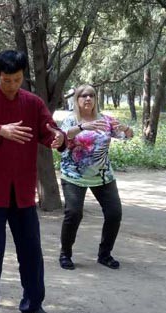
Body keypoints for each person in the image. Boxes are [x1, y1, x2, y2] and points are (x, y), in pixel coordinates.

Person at [0, 50, 66, 313]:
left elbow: (50, 131)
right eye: (7, 80)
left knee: (31, 251)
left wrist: (59, 138)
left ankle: (33, 305)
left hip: (22, 191)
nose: (12, 85)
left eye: (17, 79)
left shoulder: (32, 103)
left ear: (23, 76)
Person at [58, 84, 133, 271]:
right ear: (77, 100)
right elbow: (64, 137)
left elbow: (128, 135)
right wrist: (83, 126)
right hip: (74, 175)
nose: (88, 99)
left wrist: (126, 128)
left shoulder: (106, 120)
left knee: (114, 214)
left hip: (103, 176)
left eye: (91, 95)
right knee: (73, 214)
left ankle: (104, 254)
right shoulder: (70, 120)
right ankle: (65, 254)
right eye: (83, 96)